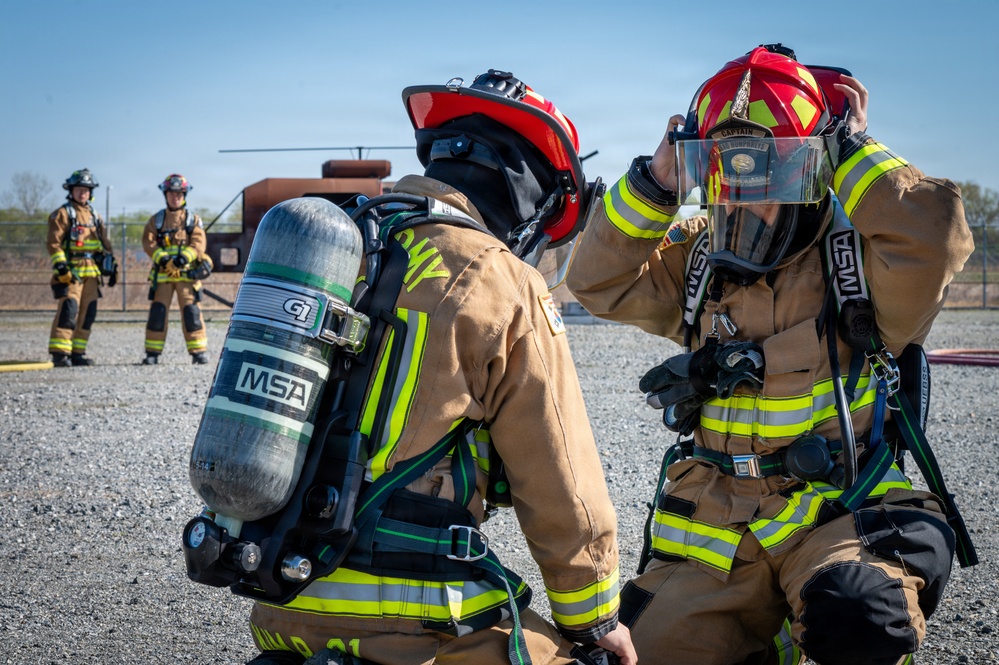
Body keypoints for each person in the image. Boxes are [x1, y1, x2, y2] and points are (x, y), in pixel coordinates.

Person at [566, 45, 975, 665]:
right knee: (628, 657)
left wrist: (855, 151)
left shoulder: (859, 264)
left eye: (774, 168)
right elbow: (596, 282)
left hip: (836, 515)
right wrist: (654, 185)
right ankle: (764, 638)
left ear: (817, 167)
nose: (745, 192)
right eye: (723, 167)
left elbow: (935, 238)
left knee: (861, 614)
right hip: (718, 536)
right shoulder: (699, 261)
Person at [245, 70, 637, 665]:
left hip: (281, 597)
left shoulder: (349, 246)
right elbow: (561, 480)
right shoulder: (502, 279)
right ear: (527, 198)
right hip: (416, 619)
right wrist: (596, 619)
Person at [45, 168, 117, 367]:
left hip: (92, 273)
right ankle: (60, 352)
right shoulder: (62, 214)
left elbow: (105, 243)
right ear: (71, 190)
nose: (82, 193)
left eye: (86, 189)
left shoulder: (95, 215)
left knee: (88, 313)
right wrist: (61, 265)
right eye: (78, 189)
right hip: (71, 272)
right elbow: (54, 243)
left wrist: (111, 264)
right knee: (69, 311)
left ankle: (78, 352)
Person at [141, 173, 211, 365]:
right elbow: (148, 243)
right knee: (158, 313)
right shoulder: (156, 220)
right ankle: (152, 353)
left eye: (179, 193)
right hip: (163, 276)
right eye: (172, 193)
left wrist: (182, 259)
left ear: (184, 195)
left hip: (186, 276)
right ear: (166, 194)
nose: (175, 197)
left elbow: (199, 244)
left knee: (192, 312)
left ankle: (198, 352)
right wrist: (164, 260)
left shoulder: (192, 220)